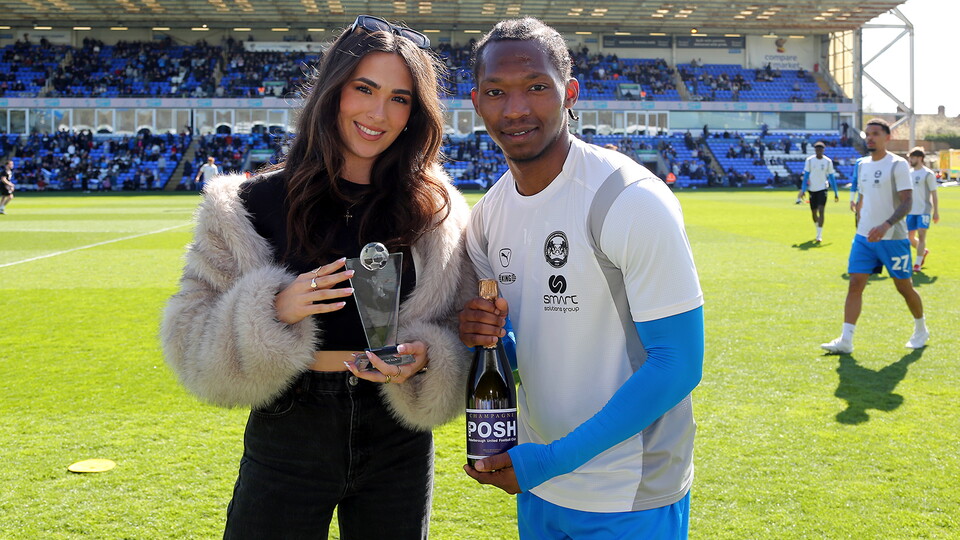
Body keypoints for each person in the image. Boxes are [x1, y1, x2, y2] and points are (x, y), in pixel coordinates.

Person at [161, 16, 476, 538]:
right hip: (291, 424)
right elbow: (188, 333)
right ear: (333, 91)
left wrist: (429, 356)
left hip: (397, 434)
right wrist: (271, 309)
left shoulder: (435, 211)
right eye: (364, 89)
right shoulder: (247, 205)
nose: (378, 113)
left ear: (415, 113)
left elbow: (463, 324)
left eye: (399, 98)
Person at [459, 18, 704, 539]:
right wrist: (484, 336)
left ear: (570, 94)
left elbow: (678, 363)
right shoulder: (487, 216)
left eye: (536, 87)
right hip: (540, 488)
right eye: (496, 92)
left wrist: (549, 460)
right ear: (476, 102)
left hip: (630, 494)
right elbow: (518, 350)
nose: (516, 109)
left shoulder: (628, 199)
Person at [821, 118, 928, 354]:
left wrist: (885, 225)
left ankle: (921, 330)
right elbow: (863, 197)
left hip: (893, 238)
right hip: (863, 238)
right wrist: (859, 221)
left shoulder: (897, 164)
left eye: (875, 134)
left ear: (887, 137)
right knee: (855, 284)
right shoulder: (862, 165)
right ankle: (846, 340)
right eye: (867, 134)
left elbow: (907, 202)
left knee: (904, 287)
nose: (870, 138)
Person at [796, 141, 838, 243]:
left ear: (823, 150)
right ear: (815, 150)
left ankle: (819, 235)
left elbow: (831, 177)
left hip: (823, 188)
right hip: (812, 189)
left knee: (821, 210)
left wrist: (836, 192)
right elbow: (806, 176)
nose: (819, 151)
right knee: (814, 212)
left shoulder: (828, 161)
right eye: (817, 149)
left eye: (821, 149)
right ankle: (817, 227)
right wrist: (803, 190)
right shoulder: (810, 160)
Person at [906, 147, 939, 271]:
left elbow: (934, 193)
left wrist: (936, 211)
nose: (910, 160)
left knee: (921, 235)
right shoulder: (909, 173)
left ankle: (917, 263)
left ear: (920, 158)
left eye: (912, 158)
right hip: (910, 210)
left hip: (924, 210)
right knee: (909, 237)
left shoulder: (928, 174)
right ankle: (923, 251)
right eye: (910, 158)